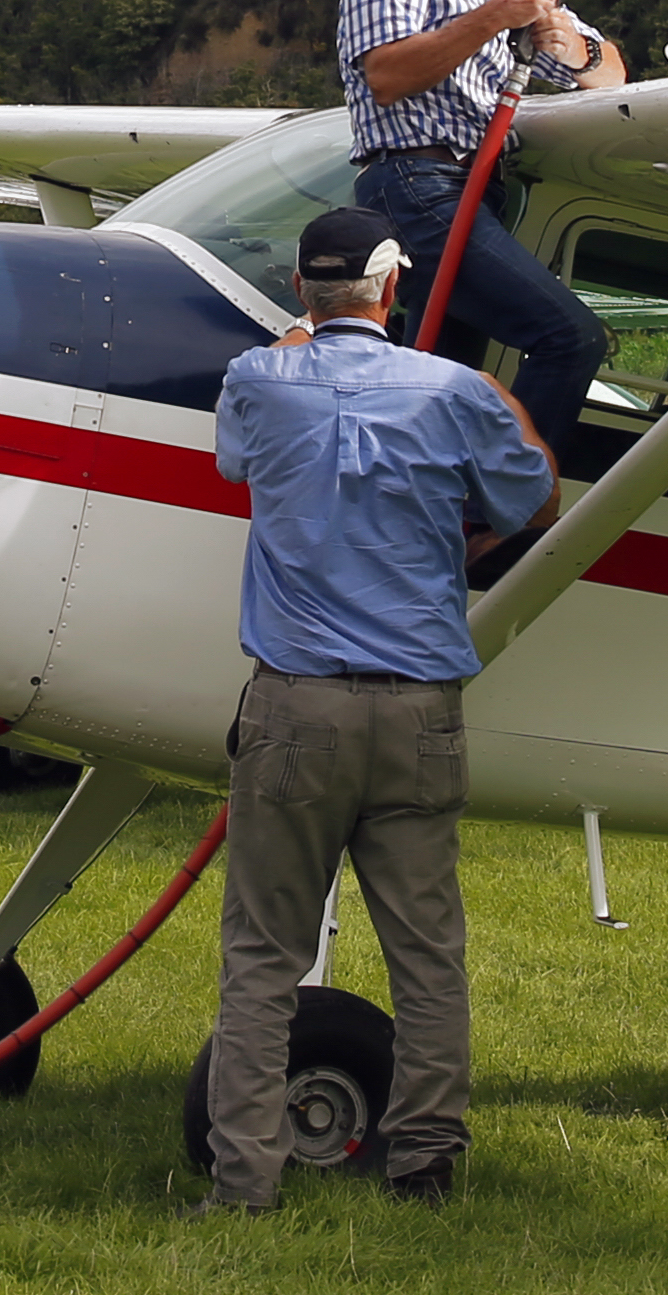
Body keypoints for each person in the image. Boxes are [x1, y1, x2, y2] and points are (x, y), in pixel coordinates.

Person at [196, 206, 559, 1211]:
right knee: (427, 955)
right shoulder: (457, 391)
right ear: (391, 288)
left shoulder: (257, 384)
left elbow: (236, 458)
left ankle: (245, 1185)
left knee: (264, 957)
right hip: (418, 715)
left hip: (293, 712)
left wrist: (302, 338)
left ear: (303, 293)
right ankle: (426, 1167)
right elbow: (537, 498)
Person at [335, 0, 624, 442]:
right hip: (415, 182)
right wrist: (498, 15)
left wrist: (568, 42)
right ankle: (510, 519)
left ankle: (428, 519)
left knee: (432, 393)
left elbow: (611, 75)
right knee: (570, 338)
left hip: (478, 195)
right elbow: (386, 75)